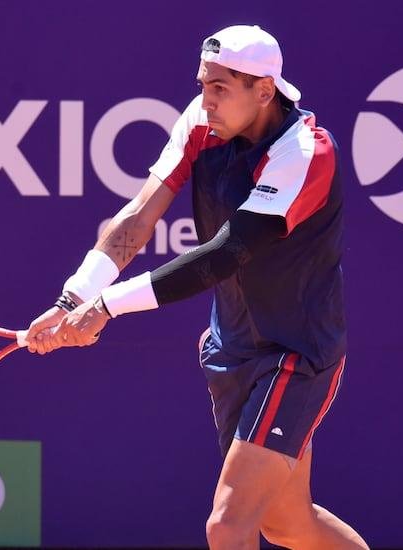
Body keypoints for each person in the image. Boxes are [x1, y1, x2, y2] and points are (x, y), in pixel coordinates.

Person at [26, 24, 369, 550]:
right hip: (233, 347)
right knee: (287, 523)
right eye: (203, 85)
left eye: (220, 88)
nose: (205, 100)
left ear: (263, 90)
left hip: (296, 353)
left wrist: (107, 307)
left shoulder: (306, 153)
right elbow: (140, 216)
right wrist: (72, 299)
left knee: (228, 526)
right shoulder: (200, 121)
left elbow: (225, 254)